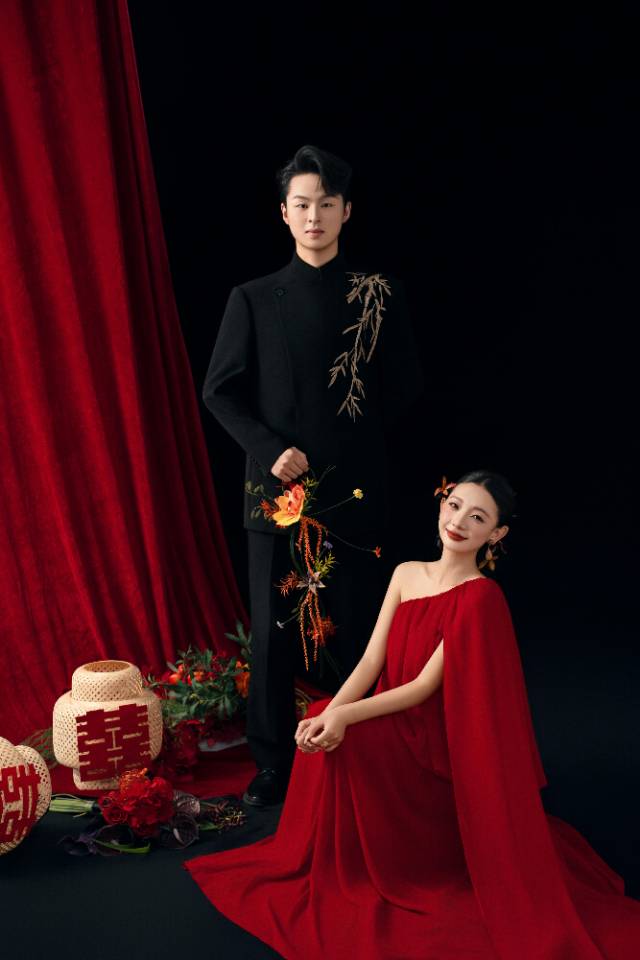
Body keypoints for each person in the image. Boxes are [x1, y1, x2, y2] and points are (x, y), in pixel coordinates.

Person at [184, 470, 640, 960]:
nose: (459, 522)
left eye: (478, 517)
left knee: (346, 735)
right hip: (389, 710)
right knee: (318, 712)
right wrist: (332, 713)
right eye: (455, 505)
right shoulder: (405, 573)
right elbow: (371, 662)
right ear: (442, 503)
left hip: (431, 737)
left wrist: (347, 718)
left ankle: (375, 870)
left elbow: (423, 687)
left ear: (497, 534)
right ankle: (329, 860)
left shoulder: (481, 596)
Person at [201, 144, 424, 806]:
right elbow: (219, 390)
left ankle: (360, 745)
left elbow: (405, 388)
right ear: (284, 213)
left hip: (356, 488)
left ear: (346, 211)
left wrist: (353, 441)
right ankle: (273, 762)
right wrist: (270, 449)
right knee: (273, 631)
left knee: (359, 620)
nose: (314, 217)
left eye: (327, 204)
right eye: (302, 204)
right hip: (278, 491)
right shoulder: (252, 298)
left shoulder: (377, 295)